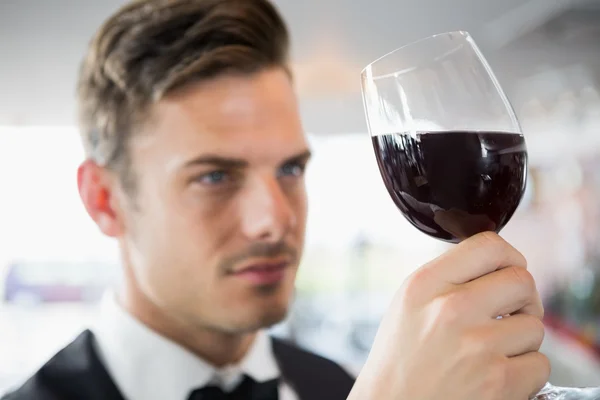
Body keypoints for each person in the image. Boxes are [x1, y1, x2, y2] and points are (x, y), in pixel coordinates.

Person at [1, 0, 550, 399]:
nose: (275, 219)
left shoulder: (338, 385)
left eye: (290, 168)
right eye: (215, 176)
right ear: (104, 200)